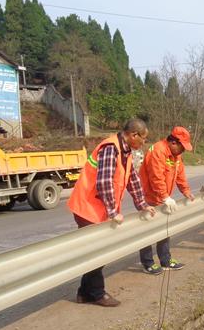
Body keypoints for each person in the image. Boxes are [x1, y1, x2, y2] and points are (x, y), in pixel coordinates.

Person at [68, 118, 156, 307]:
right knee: (99, 251)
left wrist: (142, 204)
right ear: (134, 135)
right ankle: (98, 293)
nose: (144, 143)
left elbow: (132, 179)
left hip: (97, 209)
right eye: (143, 138)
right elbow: (104, 182)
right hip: (87, 208)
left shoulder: (127, 152)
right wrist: (112, 211)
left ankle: (84, 293)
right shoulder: (111, 148)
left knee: (96, 251)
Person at [138, 126, 195, 275]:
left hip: (162, 197)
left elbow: (180, 174)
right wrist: (165, 197)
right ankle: (148, 263)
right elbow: (156, 177)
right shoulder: (158, 150)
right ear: (174, 142)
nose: (183, 151)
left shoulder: (175, 155)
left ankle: (165, 260)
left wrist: (186, 191)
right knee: (148, 230)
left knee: (165, 228)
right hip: (148, 197)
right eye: (182, 147)